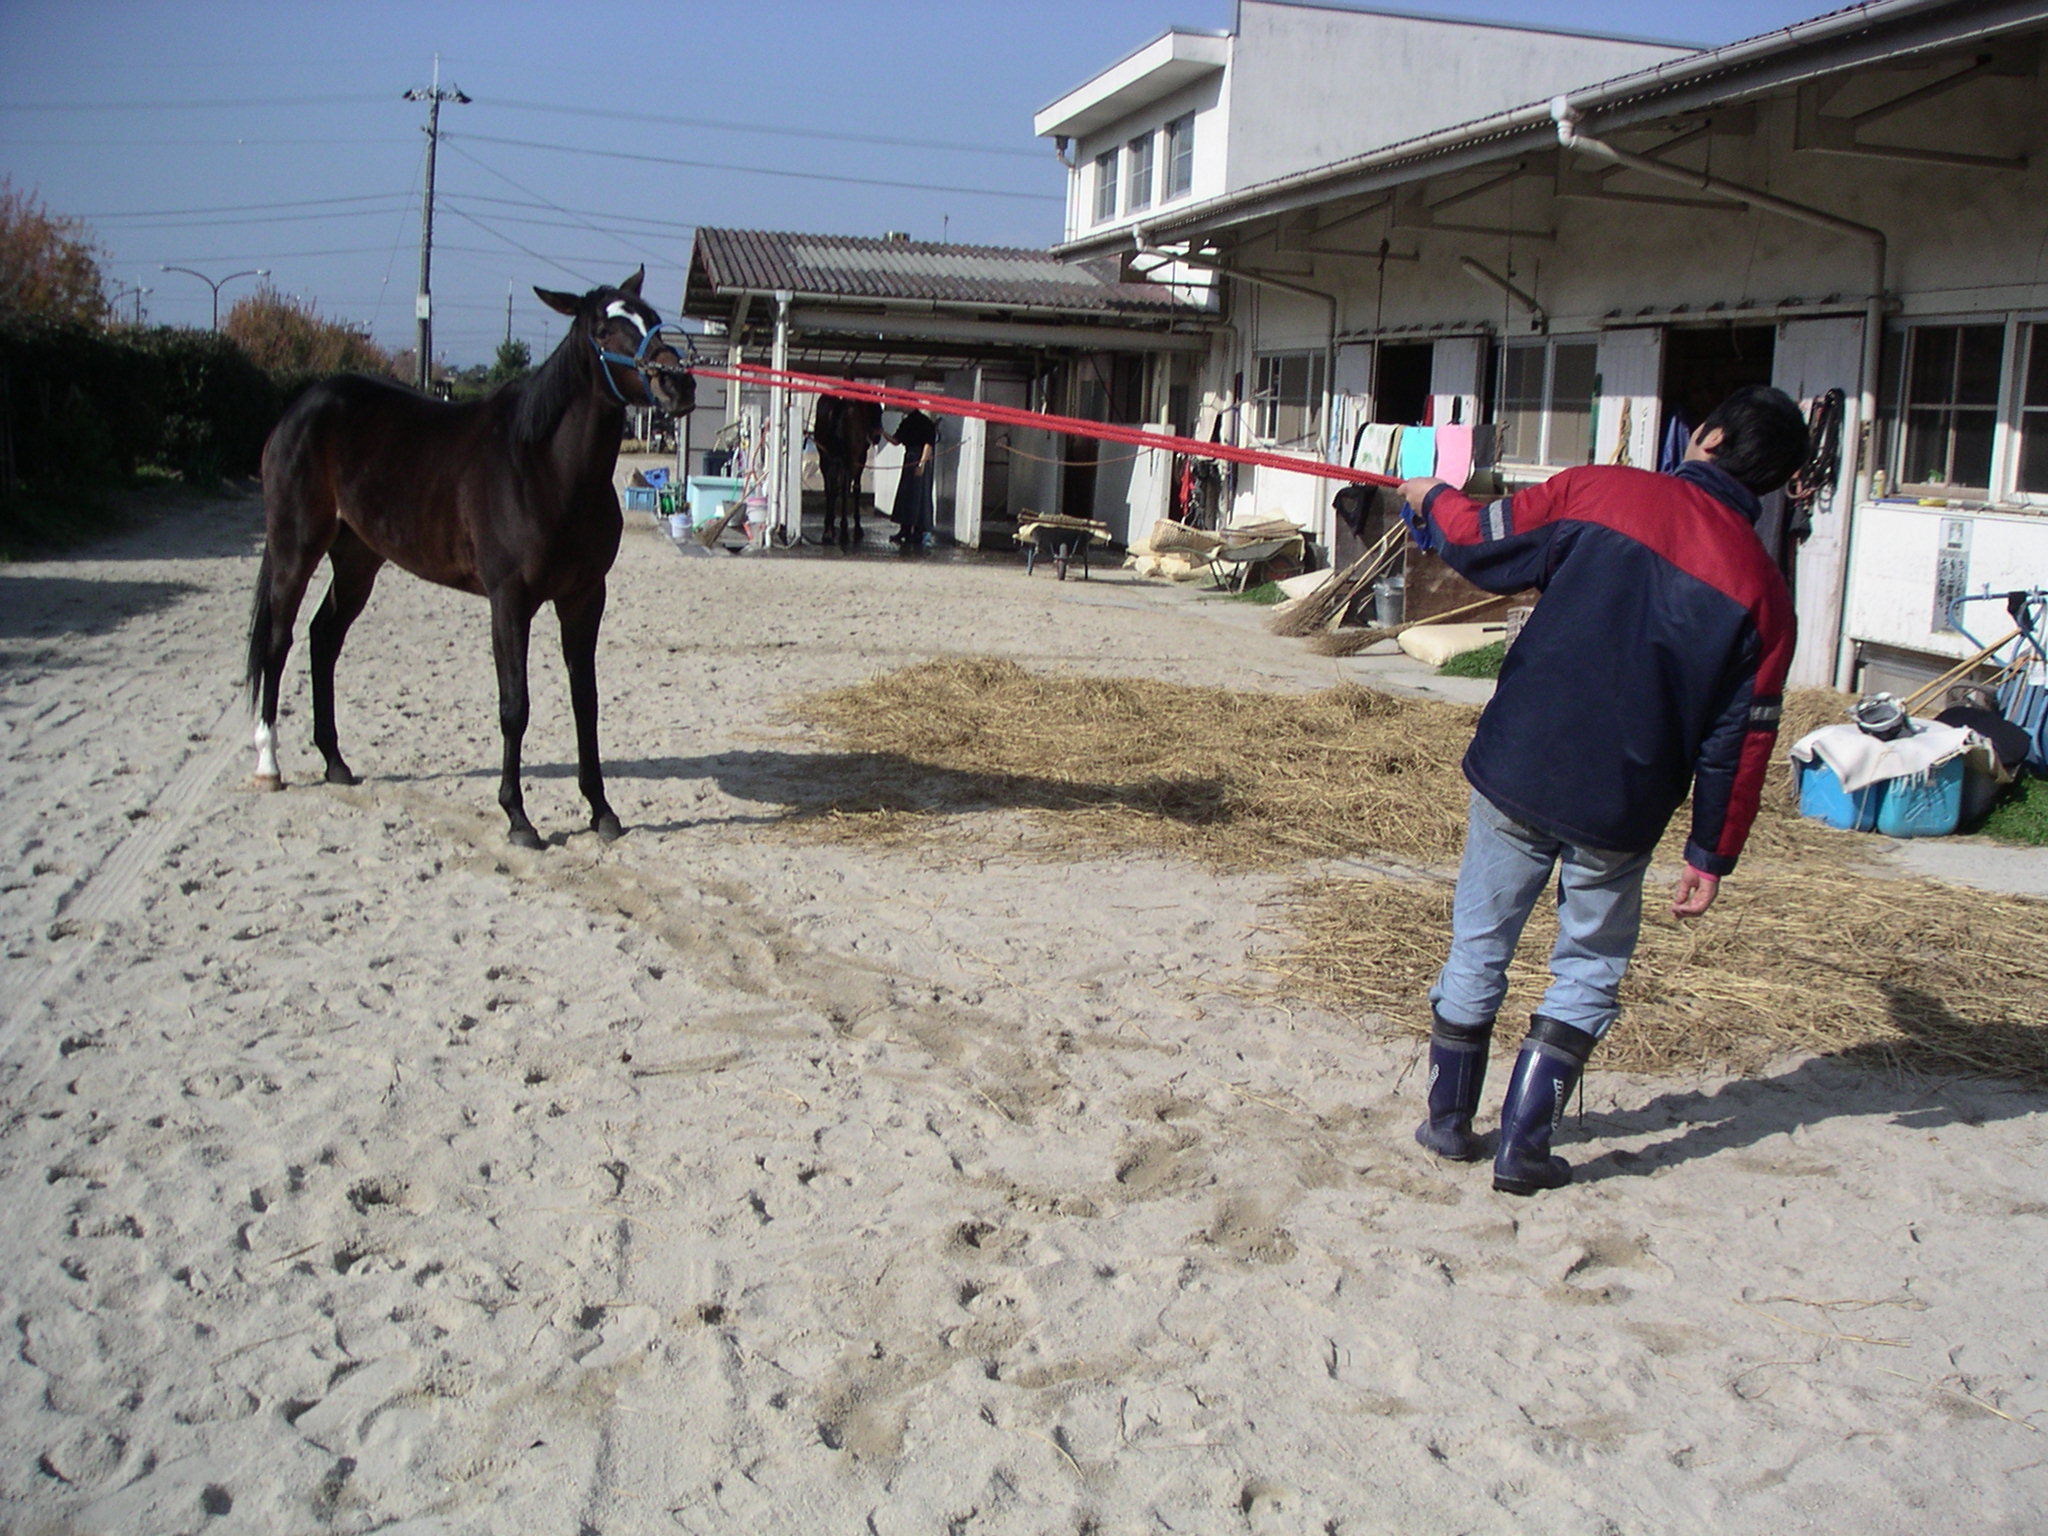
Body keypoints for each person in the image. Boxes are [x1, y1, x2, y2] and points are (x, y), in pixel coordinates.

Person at [1395, 384, 1808, 1195]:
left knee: (1480, 942)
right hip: (1624, 801)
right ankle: (1524, 1147)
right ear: (1772, 481)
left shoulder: (1601, 490)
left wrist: (1430, 497)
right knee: (1587, 967)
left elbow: (1479, 540)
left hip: (1518, 767)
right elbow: (1741, 743)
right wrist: (1711, 852)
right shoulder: (1765, 594)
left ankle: (1448, 1123)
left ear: (1709, 437)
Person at [886, 409, 937, 551]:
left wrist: (922, 463)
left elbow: (928, 444)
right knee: (906, 493)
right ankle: (905, 528)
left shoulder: (924, 422)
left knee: (919, 495)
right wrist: (882, 432)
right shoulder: (907, 422)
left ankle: (919, 531)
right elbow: (896, 440)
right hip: (909, 458)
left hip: (919, 458)